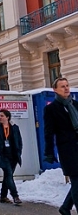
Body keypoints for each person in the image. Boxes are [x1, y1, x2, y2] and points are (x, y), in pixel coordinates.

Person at [44, 77, 78, 215]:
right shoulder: (51, 109)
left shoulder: (75, 104)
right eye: (62, 86)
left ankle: (65, 207)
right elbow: (48, 132)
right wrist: (49, 152)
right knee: (76, 181)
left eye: (67, 85)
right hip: (68, 150)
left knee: (77, 183)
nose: (66, 88)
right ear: (55, 90)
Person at [0, 109, 23, 205]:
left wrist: (19, 151)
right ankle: (15, 196)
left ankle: (3, 196)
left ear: (7, 117)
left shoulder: (14, 127)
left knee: (7, 176)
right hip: (1, 155)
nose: (0, 117)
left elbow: (19, 140)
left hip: (13, 155)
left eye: (2, 116)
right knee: (9, 174)